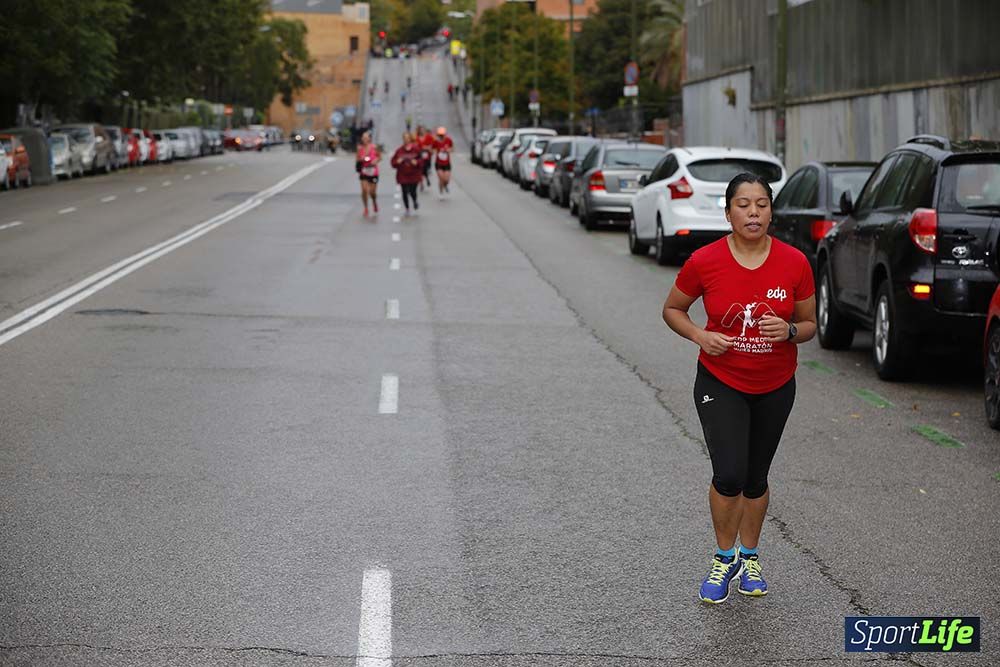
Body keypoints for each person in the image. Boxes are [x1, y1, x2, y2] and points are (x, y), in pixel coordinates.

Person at [661, 172, 817, 604]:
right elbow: (673, 309)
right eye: (744, 205)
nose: (753, 212)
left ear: (771, 211)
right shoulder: (705, 261)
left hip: (775, 384)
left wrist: (787, 330)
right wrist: (700, 336)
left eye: (762, 204)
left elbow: (809, 325)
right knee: (728, 475)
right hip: (721, 380)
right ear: (727, 212)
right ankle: (723, 556)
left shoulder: (795, 262)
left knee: (755, 477)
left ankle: (749, 557)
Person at [390, 132, 424, 216]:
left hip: (414, 175)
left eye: (407, 138)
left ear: (410, 139)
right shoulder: (399, 150)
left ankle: (415, 201)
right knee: (404, 191)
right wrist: (397, 162)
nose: (406, 140)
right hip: (403, 175)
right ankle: (407, 208)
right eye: (404, 138)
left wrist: (417, 162)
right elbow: (393, 162)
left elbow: (422, 160)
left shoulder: (416, 149)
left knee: (412, 191)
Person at [355, 131, 381, 217]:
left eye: (366, 138)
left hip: (373, 171)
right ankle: (365, 207)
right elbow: (357, 159)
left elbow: (380, 157)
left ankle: (374, 202)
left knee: (372, 192)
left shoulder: (374, 147)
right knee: (364, 190)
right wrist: (361, 159)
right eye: (363, 138)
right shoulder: (360, 148)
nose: (364, 139)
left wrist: (375, 161)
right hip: (364, 171)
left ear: (369, 139)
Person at [433, 126, 454, 194]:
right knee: (441, 178)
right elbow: (432, 149)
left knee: (446, 180)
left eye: (442, 135)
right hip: (438, 163)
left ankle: (445, 185)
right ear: (438, 135)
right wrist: (437, 151)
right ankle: (441, 192)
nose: (441, 136)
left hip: (447, 163)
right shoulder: (436, 141)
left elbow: (452, 148)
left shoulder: (448, 140)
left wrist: (448, 150)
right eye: (440, 135)